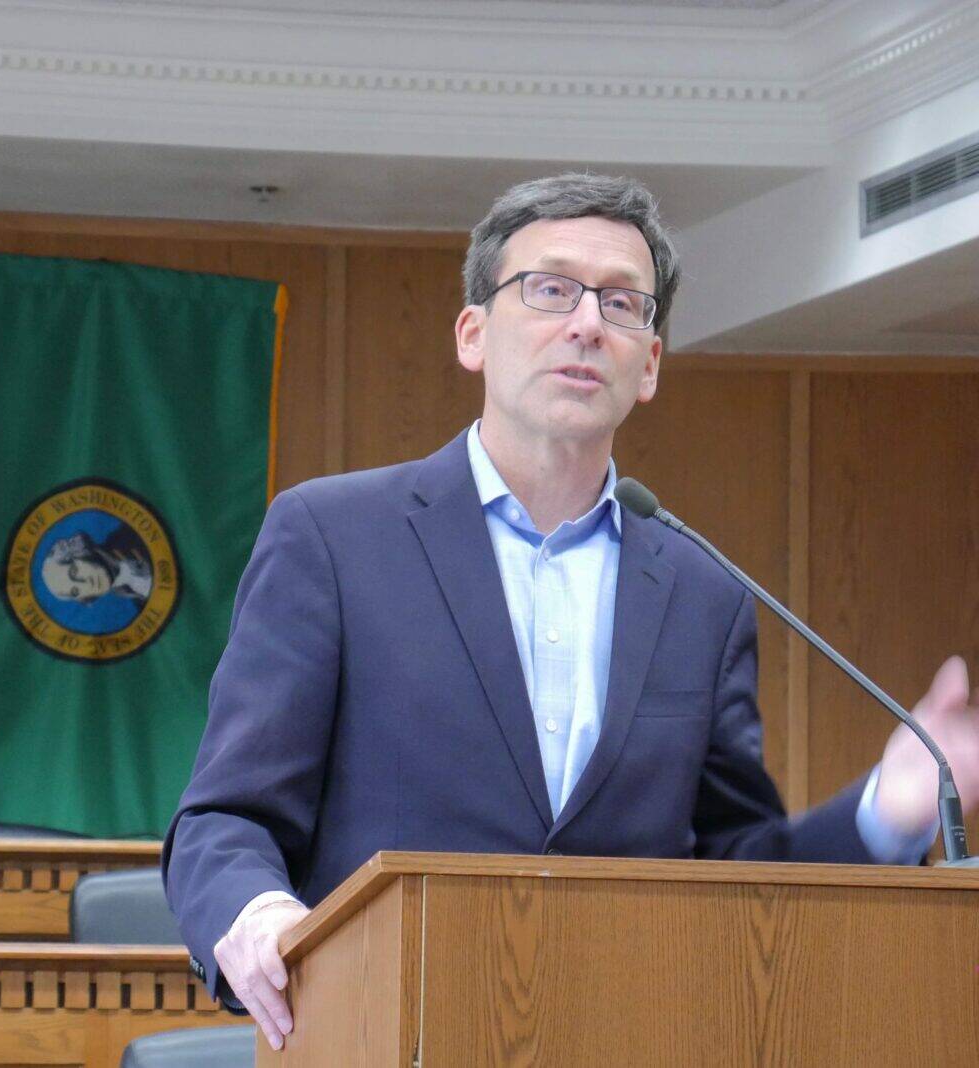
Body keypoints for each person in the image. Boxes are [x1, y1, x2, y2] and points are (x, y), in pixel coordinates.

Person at [160, 173, 979, 1052]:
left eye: (624, 305)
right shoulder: (332, 535)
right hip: (382, 1032)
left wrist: (885, 813)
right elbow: (225, 818)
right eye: (550, 290)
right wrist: (255, 911)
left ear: (651, 363)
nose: (588, 323)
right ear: (474, 334)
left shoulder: (701, 591)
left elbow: (736, 875)